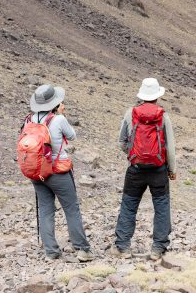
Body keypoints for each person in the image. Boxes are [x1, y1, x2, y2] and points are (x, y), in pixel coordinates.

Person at [110, 78, 176, 260]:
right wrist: (172, 169)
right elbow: (170, 147)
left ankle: (123, 247)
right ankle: (158, 249)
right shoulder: (164, 116)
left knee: (129, 206)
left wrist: (133, 154)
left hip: (135, 169)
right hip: (158, 170)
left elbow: (121, 142)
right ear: (157, 96)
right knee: (161, 207)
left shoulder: (130, 113)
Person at [26, 84, 94, 261]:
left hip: (37, 172)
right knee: (71, 208)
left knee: (46, 209)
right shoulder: (58, 119)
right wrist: (62, 116)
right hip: (58, 171)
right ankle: (82, 249)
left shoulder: (29, 119)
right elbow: (72, 136)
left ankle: (51, 251)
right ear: (55, 104)